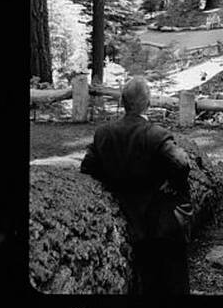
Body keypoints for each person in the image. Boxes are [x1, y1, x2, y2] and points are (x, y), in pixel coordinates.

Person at [80, 78, 193, 295]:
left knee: (144, 281)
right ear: (148, 103)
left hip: (128, 217)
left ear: (122, 102)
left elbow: (87, 167)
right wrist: (173, 183)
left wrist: (113, 180)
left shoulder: (104, 133)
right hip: (163, 222)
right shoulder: (156, 134)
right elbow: (181, 164)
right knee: (175, 281)